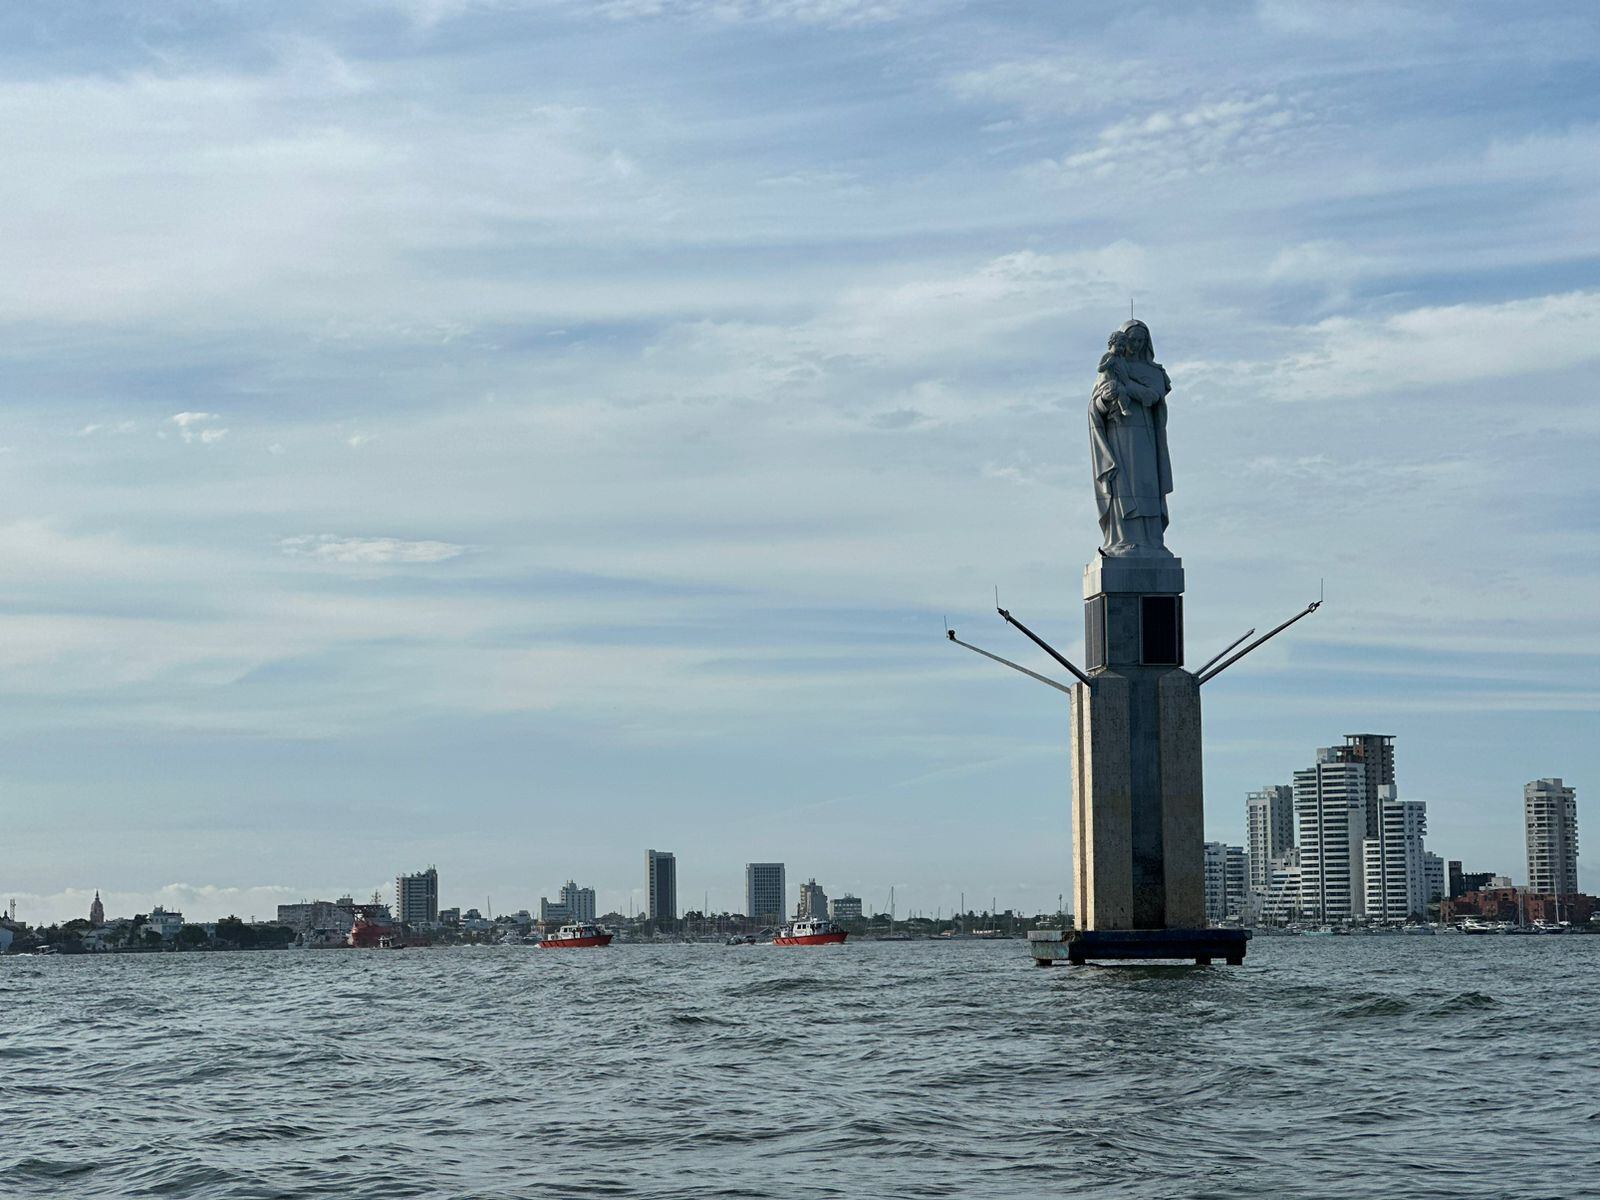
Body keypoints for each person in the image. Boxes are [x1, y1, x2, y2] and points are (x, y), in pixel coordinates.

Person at [1088, 319, 1173, 557]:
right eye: (1132, 340)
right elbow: (1095, 406)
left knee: (1146, 484)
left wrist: (1128, 387)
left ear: (1146, 343)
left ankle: (1150, 541)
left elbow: (1153, 396)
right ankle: (1121, 539)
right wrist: (1106, 398)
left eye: (1140, 340)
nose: (1135, 345)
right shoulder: (1111, 367)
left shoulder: (1154, 372)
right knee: (1122, 484)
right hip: (1118, 437)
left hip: (1145, 437)